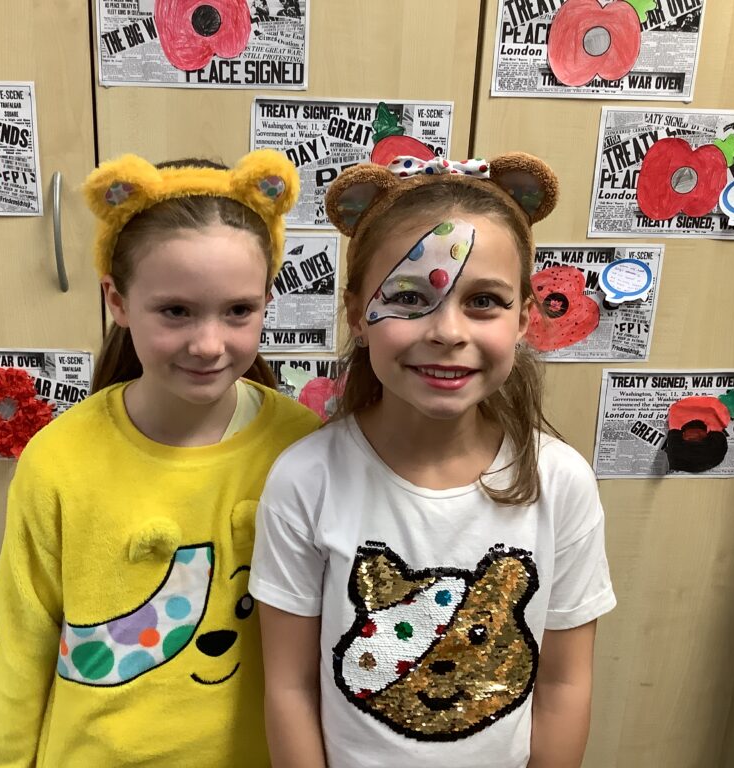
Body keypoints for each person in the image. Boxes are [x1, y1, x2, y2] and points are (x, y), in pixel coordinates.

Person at [250, 152, 616, 768]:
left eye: (484, 302)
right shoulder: (305, 479)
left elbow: (562, 685)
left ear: (525, 317)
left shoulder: (560, 482)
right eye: (410, 297)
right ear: (358, 315)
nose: (447, 331)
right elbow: (289, 688)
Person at [0, 150, 320, 767]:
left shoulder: (302, 447)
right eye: (175, 311)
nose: (209, 343)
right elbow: (23, 646)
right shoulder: (59, 459)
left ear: (268, 300)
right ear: (116, 300)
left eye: (239, 311)